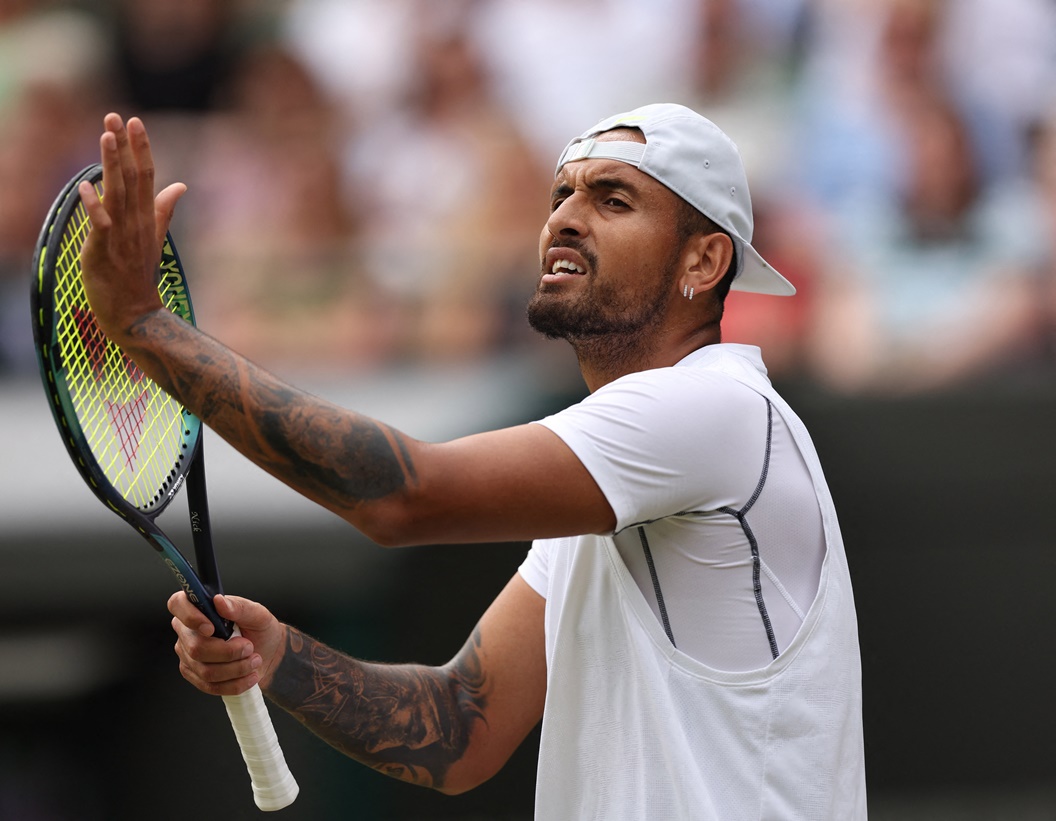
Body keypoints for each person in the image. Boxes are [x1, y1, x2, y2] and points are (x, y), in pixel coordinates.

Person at [77, 103, 866, 819]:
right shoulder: (610, 486)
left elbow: (402, 496)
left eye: (613, 199)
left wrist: (147, 327)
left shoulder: (718, 409)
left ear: (704, 262)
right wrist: (277, 653)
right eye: (561, 195)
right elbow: (458, 728)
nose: (565, 218)